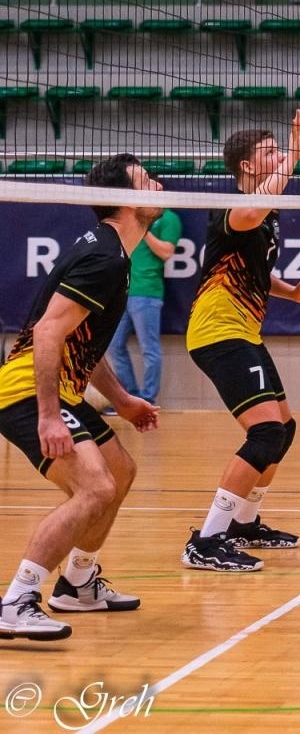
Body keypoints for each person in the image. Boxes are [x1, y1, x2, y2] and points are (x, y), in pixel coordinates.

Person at [0, 155, 162, 640]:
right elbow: (50, 332)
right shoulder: (104, 258)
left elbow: (83, 344)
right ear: (126, 199)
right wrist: (50, 417)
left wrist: (123, 398)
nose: (158, 185)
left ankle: (77, 584)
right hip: (28, 392)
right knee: (95, 488)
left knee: (120, 471)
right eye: (145, 180)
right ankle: (17, 600)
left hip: (61, 391)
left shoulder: (115, 251)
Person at [183, 113, 300, 572]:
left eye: (278, 151)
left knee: (284, 427)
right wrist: (297, 150)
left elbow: (257, 274)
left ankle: (244, 522)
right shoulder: (233, 209)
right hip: (217, 331)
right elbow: (255, 208)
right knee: (264, 432)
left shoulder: (264, 215)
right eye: (269, 152)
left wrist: (291, 292)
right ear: (246, 166)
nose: (278, 156)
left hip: (243, 330)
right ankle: (206, 539)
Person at [104, 183, 180, 405]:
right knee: (114, 345)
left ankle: (148, 399)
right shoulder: (130, 217)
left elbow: (166, 252)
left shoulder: (168, 219)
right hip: (122, 292)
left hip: (147, 292)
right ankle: (130, 397)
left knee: (150, 348)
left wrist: (145, 230)